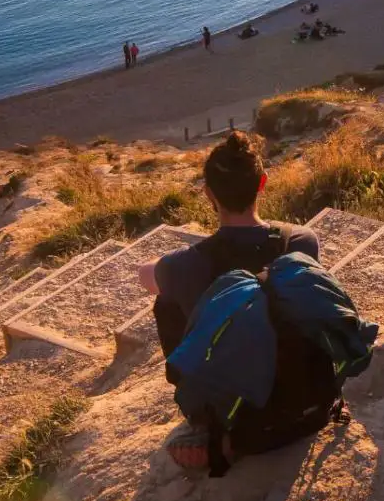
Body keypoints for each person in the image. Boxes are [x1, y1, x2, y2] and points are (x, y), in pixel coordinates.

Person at [139, 132, 349, 472]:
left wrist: (163, 270)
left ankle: (212, 422)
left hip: (244, 414)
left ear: (208, 193)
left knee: (165, 304)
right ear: (262, 183)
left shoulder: (183, 265)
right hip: (310, 401)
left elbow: (146, 277)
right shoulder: (302, 241)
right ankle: (247, 426)